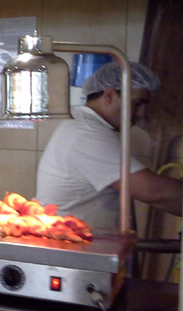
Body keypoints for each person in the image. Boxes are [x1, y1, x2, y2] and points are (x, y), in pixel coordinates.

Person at [36, 61, 183, 236]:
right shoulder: (87, 134)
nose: (142, 113)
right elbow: (155, 192)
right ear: (109, 95)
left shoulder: (88, 126)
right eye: (138, 103)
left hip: (86, 244)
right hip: (72, 246)